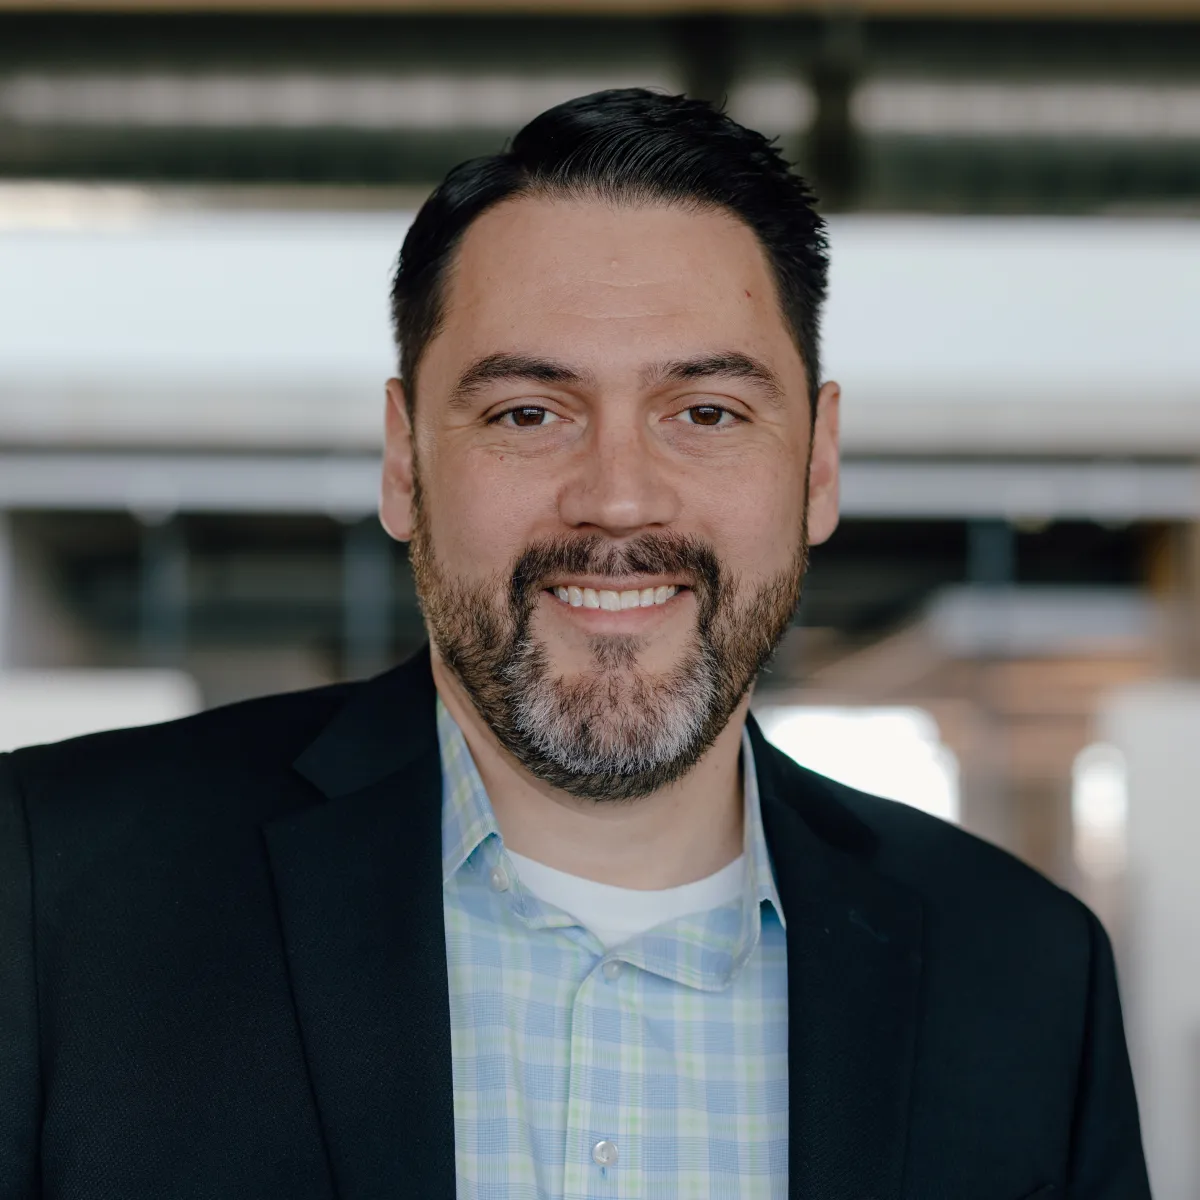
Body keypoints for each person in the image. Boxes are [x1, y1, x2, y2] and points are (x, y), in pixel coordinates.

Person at [0, 89, 1149, 1200]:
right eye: (528, 414)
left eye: (705, 413)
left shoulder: (1023, 976)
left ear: (819, 465)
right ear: (406, 463)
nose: (617, 503)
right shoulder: (52, 896)